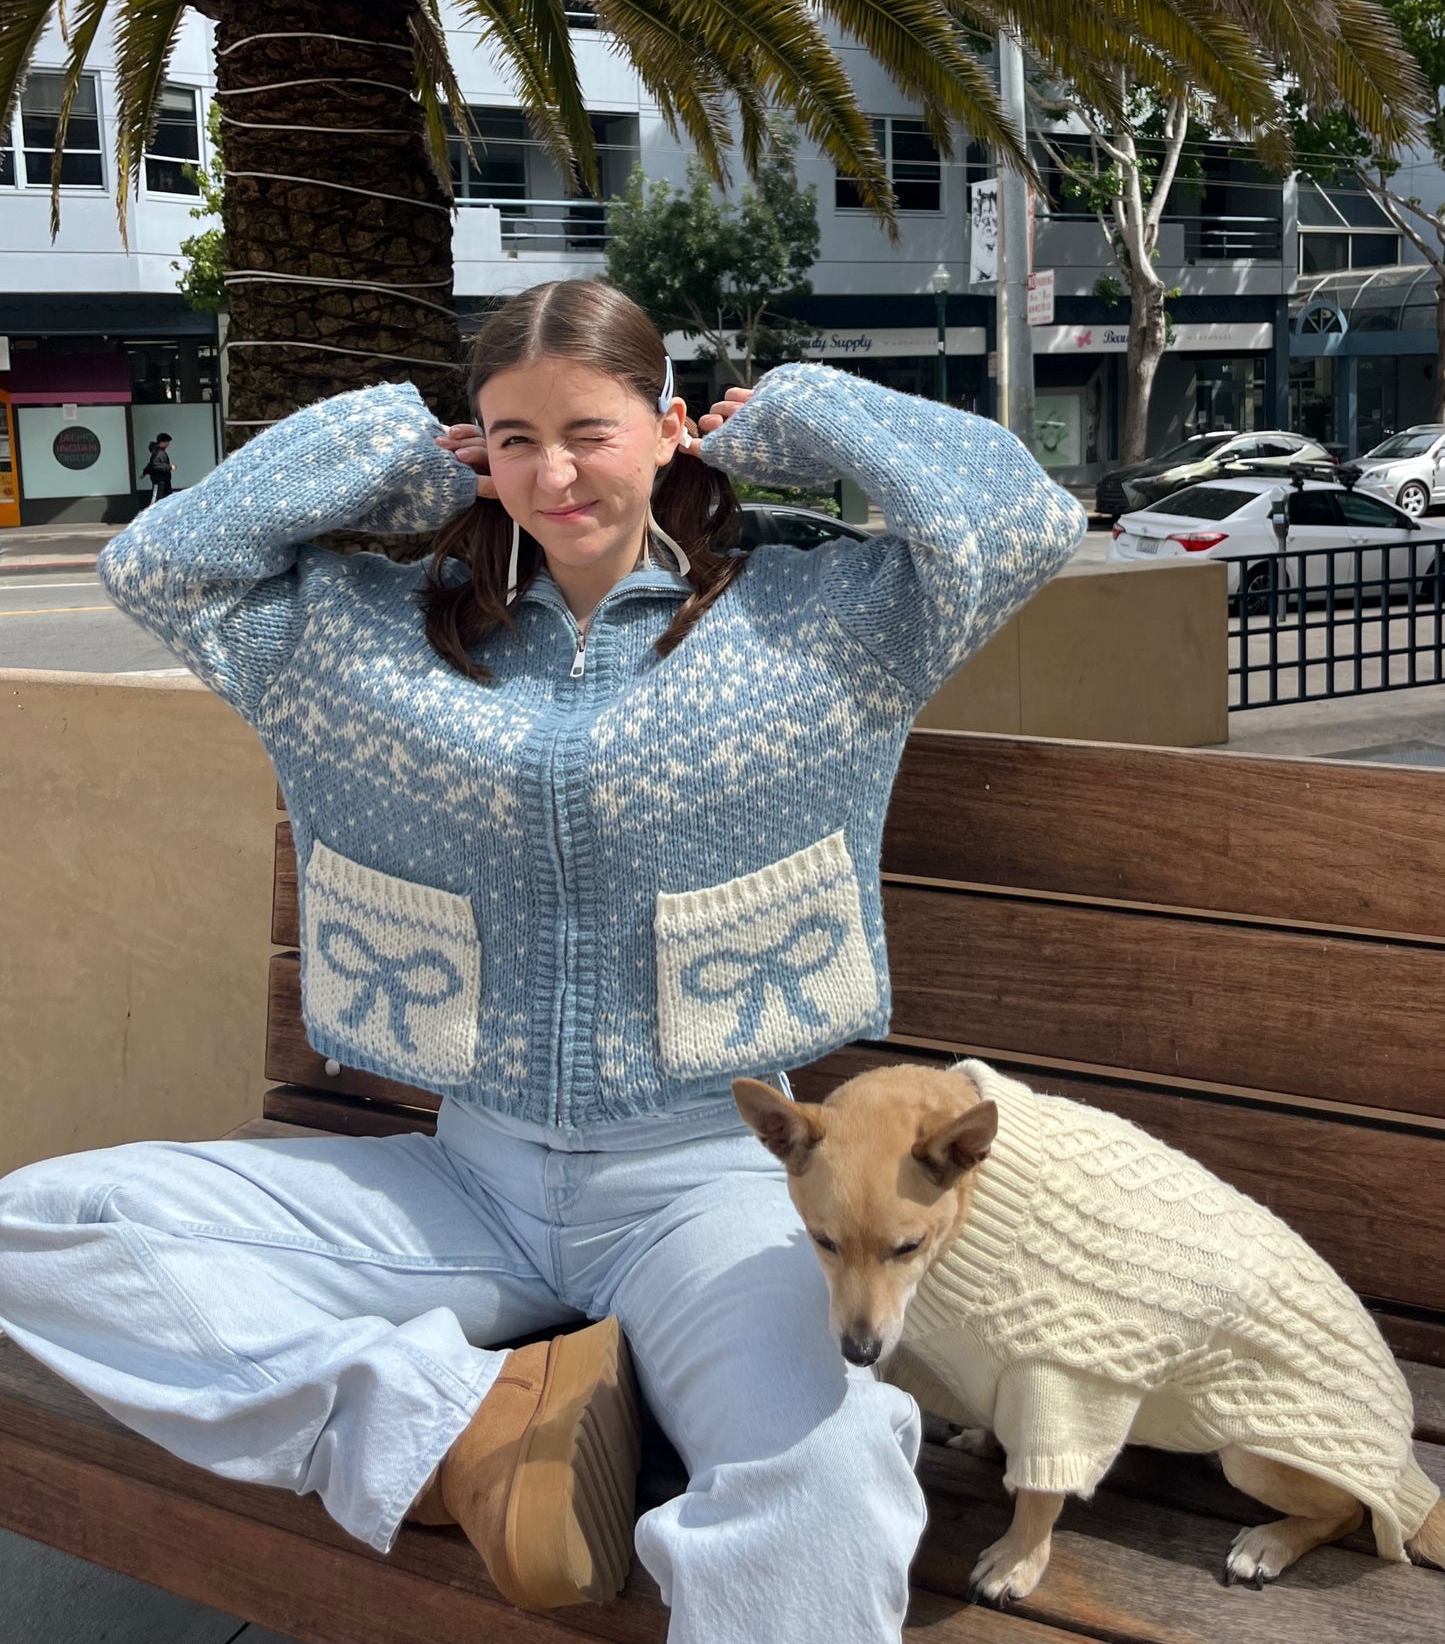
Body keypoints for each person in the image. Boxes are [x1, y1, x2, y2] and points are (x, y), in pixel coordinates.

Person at [0, 281, 1085, 1642]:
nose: (554, 471)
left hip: (701, 1191)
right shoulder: (374, 637)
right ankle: (452, 1425)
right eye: (512, 438)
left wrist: (802, 415)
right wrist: (386, 456)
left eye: (590, 430)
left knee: (829, 1472)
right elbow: (157, 566)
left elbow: (1024, 523)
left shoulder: (820, 627)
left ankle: (579, 1401)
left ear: (670, 428)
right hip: (468, 1178)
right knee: (39, 1225)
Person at [142, 433, 175, 503]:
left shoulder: (159, 452)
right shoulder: (158, 453)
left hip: (163, 481)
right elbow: (155, 465)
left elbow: (151, 464)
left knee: (162, 500)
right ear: (162, 442)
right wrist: (169, 467)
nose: (168, 444)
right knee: (156, 501)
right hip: (159, 481)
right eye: (167, 442)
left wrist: (145, 472)